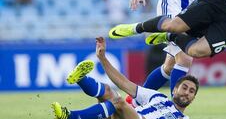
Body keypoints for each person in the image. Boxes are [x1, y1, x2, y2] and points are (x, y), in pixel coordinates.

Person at [51, 37, 199, 119]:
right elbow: (123, 83)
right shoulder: (158, 97)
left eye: (191, 91)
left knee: (119, 102)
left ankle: (72, 116)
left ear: (193, 98)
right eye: (184, 87)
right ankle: (81, 80)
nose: (187, 92)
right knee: (109, 92)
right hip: (131, 116)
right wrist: (102, 58)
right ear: (174, 91)